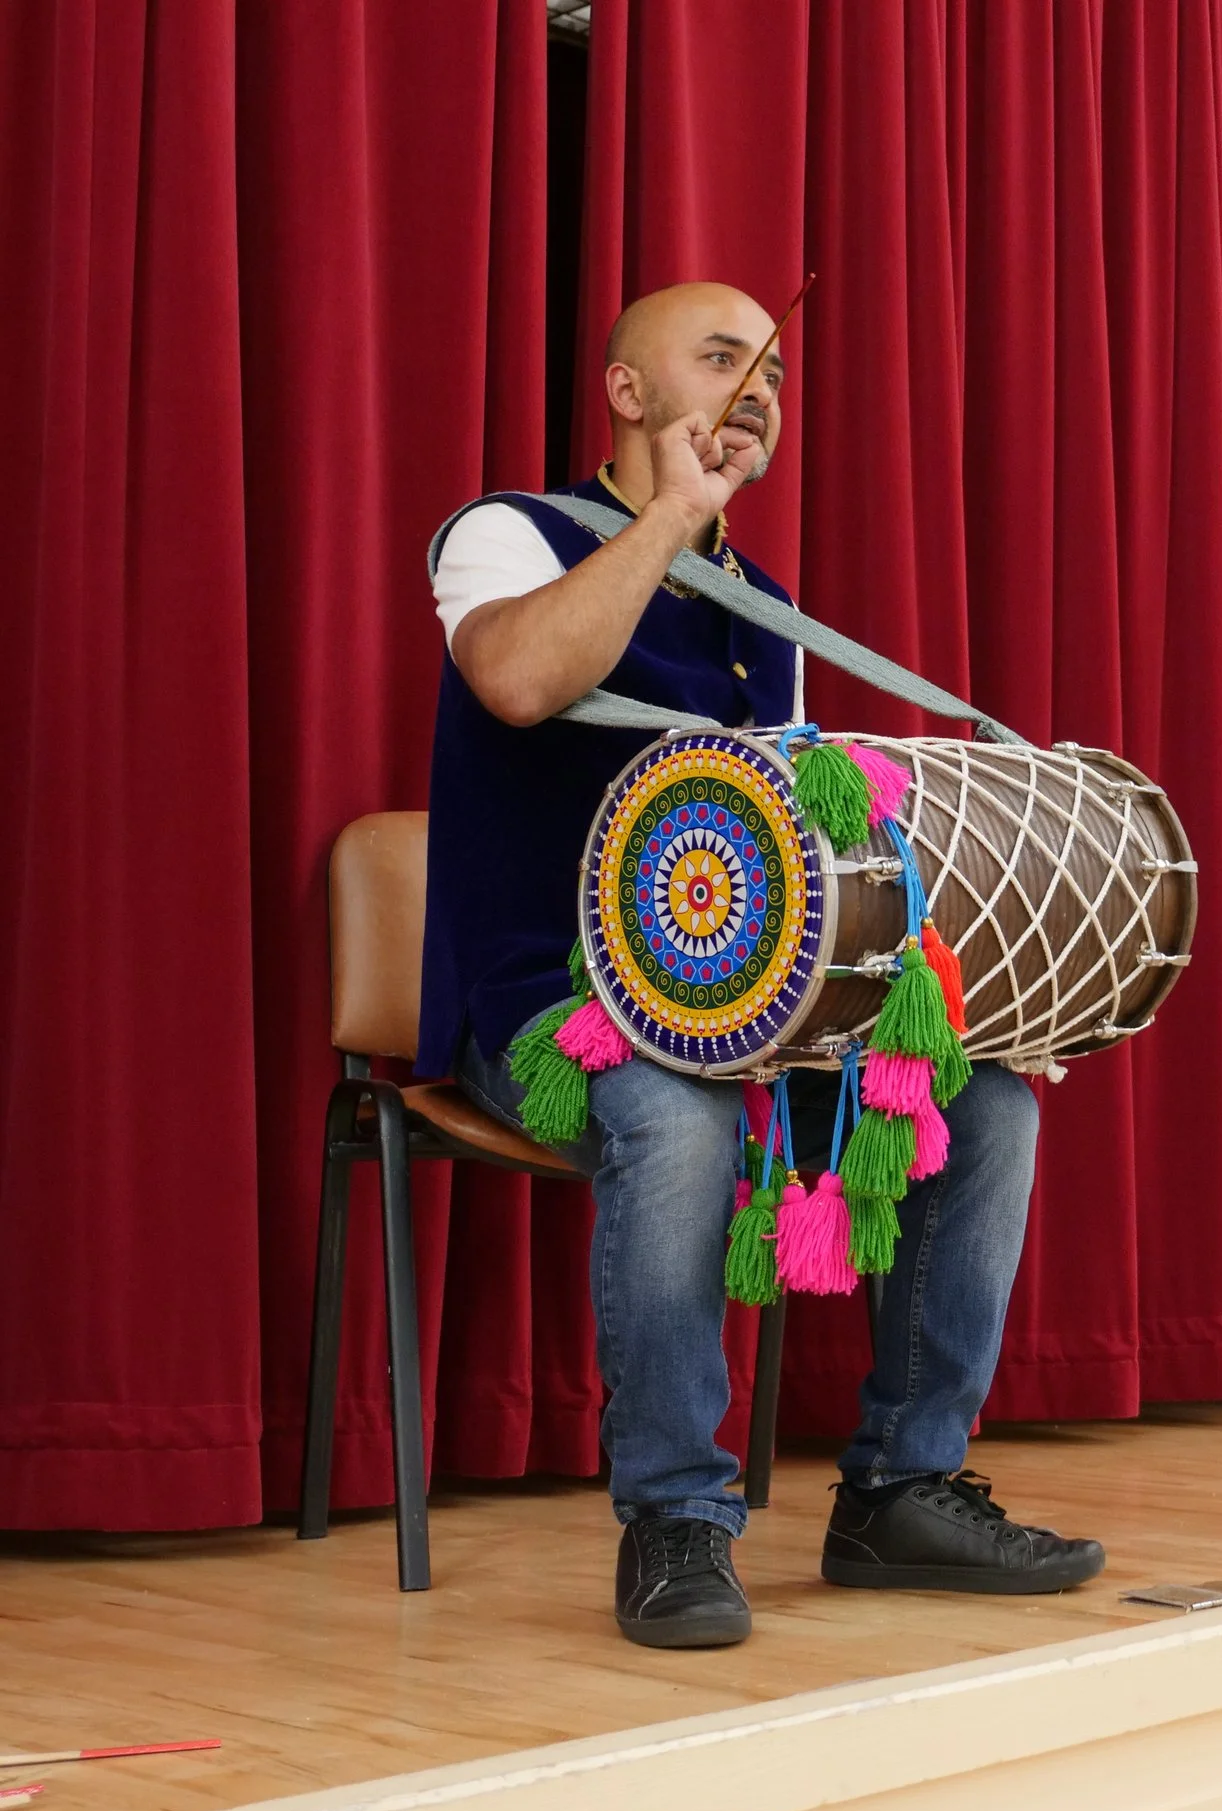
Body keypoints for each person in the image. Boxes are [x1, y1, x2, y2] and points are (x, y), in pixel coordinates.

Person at [424, 282, 1104, 1651]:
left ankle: (901, 1486)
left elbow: (789, 845)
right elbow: (512, 680)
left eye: (777, 373)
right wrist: (671, 518)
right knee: (675, 1115)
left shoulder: (766, 607)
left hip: (743, 994)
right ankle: (675, 1512)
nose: (760, 391)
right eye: (723, 358)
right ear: (625, 393)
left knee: (988, 1104)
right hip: (550, 1003)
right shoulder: (508, 533)